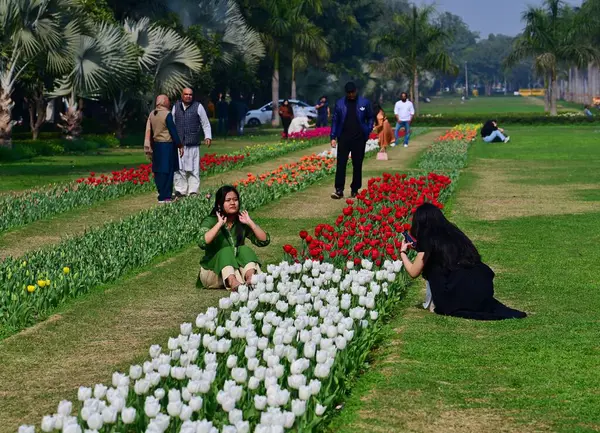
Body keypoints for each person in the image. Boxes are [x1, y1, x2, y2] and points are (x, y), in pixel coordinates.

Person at [400, 203, 527, 321]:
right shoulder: (453, 234)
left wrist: (403, 253)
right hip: (481, 289)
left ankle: (443, 302)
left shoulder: (429, 240)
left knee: (435, 269)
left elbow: (413, 272)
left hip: (459, 297)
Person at [197, 185, 270, 291]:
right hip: (212, 274)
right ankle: (233, 283)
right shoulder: (210, 221)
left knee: (244, 249)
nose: (233, 203)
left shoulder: (240, 221)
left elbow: (264, 241)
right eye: (228, 200)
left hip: (235, 269)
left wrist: (250, 223)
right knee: (226, 251)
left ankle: (251, 279)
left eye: (235, 200)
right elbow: (202, 242)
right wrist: (219, 225)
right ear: (219, 204)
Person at [330, 81, 374, 199]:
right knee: (341, 164)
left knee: (357, 164)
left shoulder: (364, 102)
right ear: (346, 93)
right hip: (344, 138)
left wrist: (368, 129)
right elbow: (335, 121)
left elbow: (370, 117)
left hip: (359, 138)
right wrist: (333, 137)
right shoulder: (340, 104)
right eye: (349, 93)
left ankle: (355, 189)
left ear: (356, 90)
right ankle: (339, 190)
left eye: (352, 92)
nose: (351, 95)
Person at [172, 88, 212, 198]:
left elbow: (205, 123)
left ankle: (193, 191)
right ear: (182, 95)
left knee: (193, 169)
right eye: (186, 94)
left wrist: (208, 136)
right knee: (179, 169)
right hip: (179, 144)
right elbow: (172, 124)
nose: (188, 96)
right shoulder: (176, 107)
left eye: (190, 94)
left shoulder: (198, 106)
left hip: (193, 143)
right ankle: (180, 191)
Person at [143, 95, 184, 204]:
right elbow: (173, 131)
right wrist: (180, 145)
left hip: (157, 145)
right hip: (167, 145)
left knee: (158, 170)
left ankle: (161, 193)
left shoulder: (152, 114)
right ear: (164, 102)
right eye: (168, 101)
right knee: (168, 170)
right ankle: (166, 196)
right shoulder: (167, 114)